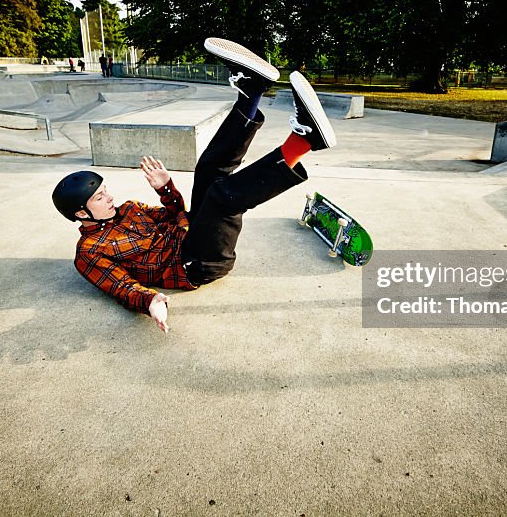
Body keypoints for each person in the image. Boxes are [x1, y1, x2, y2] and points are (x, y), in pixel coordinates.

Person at [52, 38, 336, 333]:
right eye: (99, 199)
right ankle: (303, 141)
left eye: (105, 191)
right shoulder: (90, 252)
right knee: (221, 197)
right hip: (195, 264)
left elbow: (178, 214)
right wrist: (149, 301)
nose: (109, 198)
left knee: (208, 170)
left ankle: (251, 92)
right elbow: (120, 286)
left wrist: (166, 190)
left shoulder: (130, 209)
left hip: (191, 234)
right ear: (81, 213)